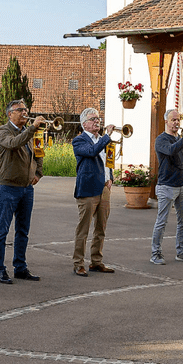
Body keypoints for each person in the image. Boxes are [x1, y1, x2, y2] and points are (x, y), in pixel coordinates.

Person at [0, 99, 44, 284]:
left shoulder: (29, 133)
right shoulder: (2, 131)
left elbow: (38, 152)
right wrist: (32, 129)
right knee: (2, 230)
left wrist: (38, 173)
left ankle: (20, 267)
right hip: (8, 187)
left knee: (23, 231)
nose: (24, 112)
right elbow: (14, 144)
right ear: (9, 114)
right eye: (20, 110)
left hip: (26, 189)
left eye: (26, 109)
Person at [71, 107, 115, 276]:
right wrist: (106, 137)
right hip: (88, 189)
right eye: (93, 119)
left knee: (101, 228)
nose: (97, 121)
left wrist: (110, 176)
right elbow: (92, 152)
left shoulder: (102, 140)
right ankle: (78, 263)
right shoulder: (79, 141)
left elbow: (107, 159)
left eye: (98, 118)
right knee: (83, 229)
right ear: (84, 124)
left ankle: (96, 261)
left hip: (104, 187)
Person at [151, 109, 183, 264]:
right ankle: (155, 253)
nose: (176, 122)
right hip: (167, 186)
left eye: (178, 120)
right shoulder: (161, 140)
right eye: (173, 120)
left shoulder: (182, 139)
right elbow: (171, 150)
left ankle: (181, 252)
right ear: (166, 122)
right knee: (162, 221)